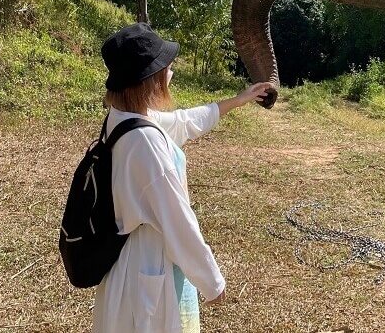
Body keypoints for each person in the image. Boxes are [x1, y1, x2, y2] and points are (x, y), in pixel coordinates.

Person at [92, 22, 272, 333]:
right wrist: (212, 281)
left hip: (126, 265)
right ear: (149, 80)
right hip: (146, 270)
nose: (171, 72)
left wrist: (239, 99)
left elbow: (184, 122)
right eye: (166, 68)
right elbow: (178, 219)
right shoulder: (145, 143)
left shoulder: (123, 120)